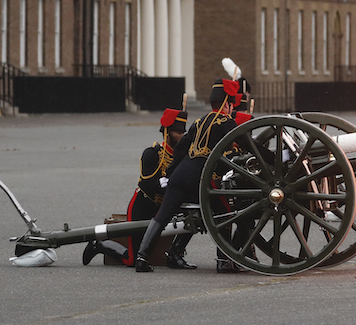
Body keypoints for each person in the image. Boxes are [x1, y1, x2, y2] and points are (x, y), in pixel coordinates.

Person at [133, 75, 250, 273]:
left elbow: (180, 150)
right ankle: (223, 262)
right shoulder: (227, 123)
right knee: (224, 213)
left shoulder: (199, 122)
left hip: (180, 175)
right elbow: (250, 145)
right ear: (228, 105)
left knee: (162, 216)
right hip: (201, 179)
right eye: (232, 105)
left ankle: (142, 258)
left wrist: (169, 174)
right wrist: (272, 157)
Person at [83, 107, 195, 269]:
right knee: (132, 259)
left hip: (166, 207)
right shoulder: (152, 154)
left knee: (194, 217)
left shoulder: (183, 156)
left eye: (183, 132)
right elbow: (150, 185)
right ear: (167, 132)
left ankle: (175, 253)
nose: (182, 136)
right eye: (178, 132)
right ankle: (100, 245)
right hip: (143, 206)